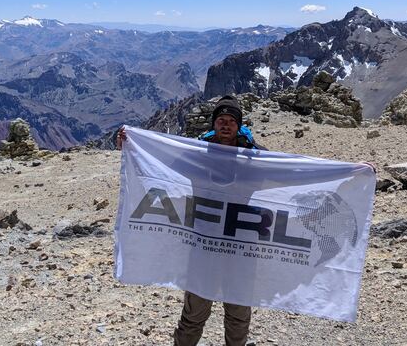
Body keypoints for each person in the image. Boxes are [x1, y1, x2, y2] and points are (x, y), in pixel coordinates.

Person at [116, 95, 375, 346]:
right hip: (204, 246)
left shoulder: (254, 157)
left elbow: (291, 171)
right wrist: (131, 145)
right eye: (220, 119)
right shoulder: (197, 153)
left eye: (231, 119)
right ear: (213, 124)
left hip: (241, 247)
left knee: (238, 316)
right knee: (194, 315)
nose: (225, 123)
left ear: (239, 125)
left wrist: (348, 171)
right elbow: (159, 164)